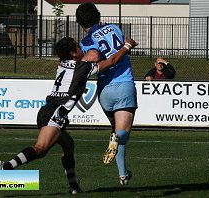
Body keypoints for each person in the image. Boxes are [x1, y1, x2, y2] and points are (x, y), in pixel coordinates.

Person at [0, 36, 137, 194]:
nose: (81, 49)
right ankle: (5, 166)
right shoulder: (82, 68)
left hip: (49, 110)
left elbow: (84, 58)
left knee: (68, 145)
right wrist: (127, 46)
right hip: (56, 113)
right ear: (73, 53)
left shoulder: (61, 63)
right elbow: (111, 61)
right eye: (78, 47)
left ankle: (73, 186)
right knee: (40, 149)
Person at [76, 2, 138, 185]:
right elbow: (120, 46)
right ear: (98, 16)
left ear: (80, 23)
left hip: (104, 91)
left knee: (115, 131)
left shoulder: (85, 42)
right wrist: (127, 46)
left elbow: (93, 57)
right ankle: (118, 141)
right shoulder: (114, 28)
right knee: (122, 134)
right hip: (124, 85)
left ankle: (123, 174)